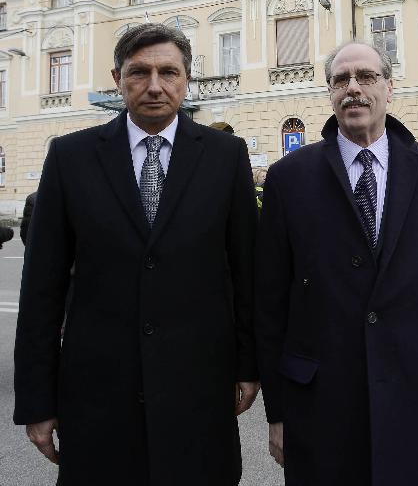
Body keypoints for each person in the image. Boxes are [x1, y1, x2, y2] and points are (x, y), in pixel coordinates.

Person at [14, 24, 259, 486]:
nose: (154, 86)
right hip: (97, 395)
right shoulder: (71, 157)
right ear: (117, 78)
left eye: (169, 72)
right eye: (138, 72)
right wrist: (37, 400)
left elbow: (246, 272)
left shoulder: (226, 156)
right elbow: (41, 289)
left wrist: (248, 366)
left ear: (187, 79)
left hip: (198, 389)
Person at [255, 41, 418, 486]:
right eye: (341, 80)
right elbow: (270, 304)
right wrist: (279, 413)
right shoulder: (291, 178)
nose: (353, 89)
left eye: (366, 77)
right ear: (329, 92)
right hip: (320, 407)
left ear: (389, 88)